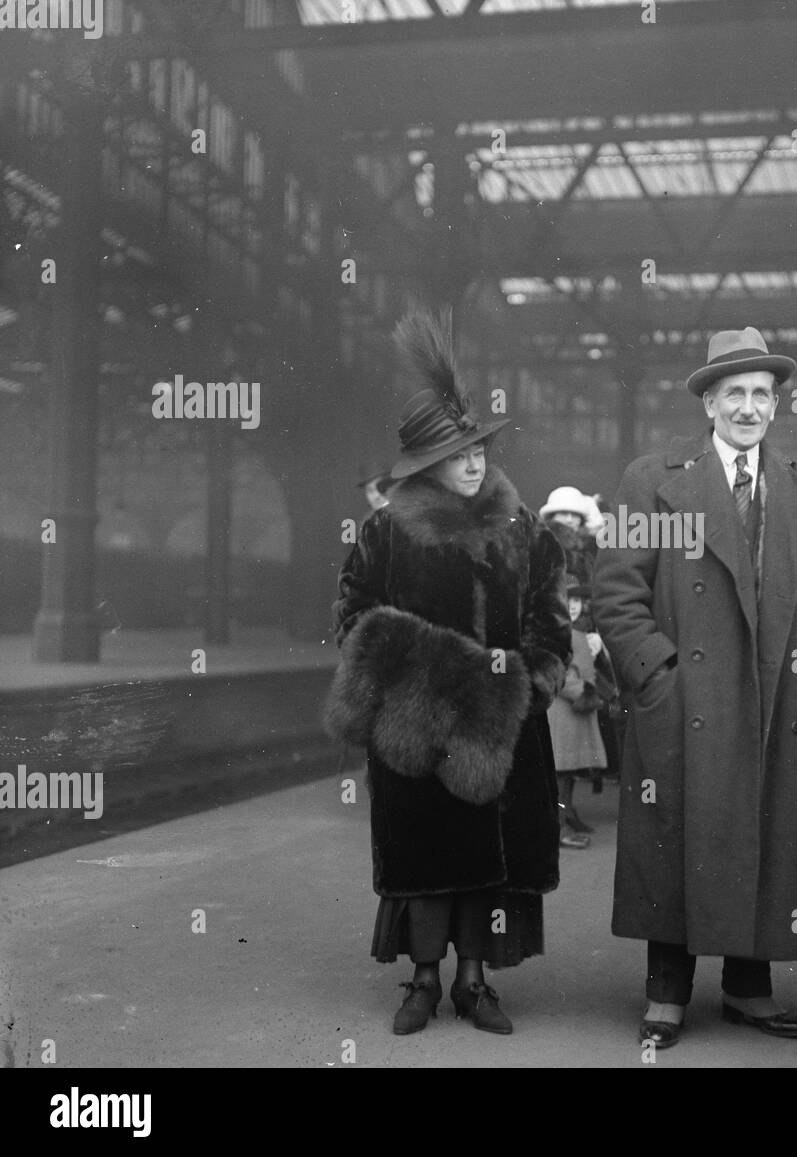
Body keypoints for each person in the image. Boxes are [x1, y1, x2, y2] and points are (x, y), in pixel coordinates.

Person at [593, 326, 797, 1050]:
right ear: (708, 402)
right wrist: (658, 678)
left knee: (763, 835)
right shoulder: (653, 479)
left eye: (761, 394)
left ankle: (748, 988)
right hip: (687, 703)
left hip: (775, 701)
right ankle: (666, 994)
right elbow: (616, 593)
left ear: (777, 405)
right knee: (677, 835)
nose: (748, 407)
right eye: (733, 392)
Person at [325, 311, 570, 1036]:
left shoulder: (523, 528)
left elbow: (549, 613)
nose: (473, 463)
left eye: (479, 449)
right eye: (457, 452)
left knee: (490, 862)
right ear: (425, 462)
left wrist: (525, 684)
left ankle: (474, 980)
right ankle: (423, 981)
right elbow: (353, 616)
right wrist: (423, 689)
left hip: (502, 726)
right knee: (422, 855)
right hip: (415, 732)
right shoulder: (385, 531)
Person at [548, 581, 615, 850]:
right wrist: (584, 693)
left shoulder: (580, 632)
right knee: (561, 772)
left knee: (571, 770)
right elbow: (556, 674)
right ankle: (558, 825)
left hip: (577, 712)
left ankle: (569, 814)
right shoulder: (553, 631)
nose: (573, 606)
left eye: (577, 601)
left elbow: (593, 669)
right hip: (562, 711)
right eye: (568, 600)